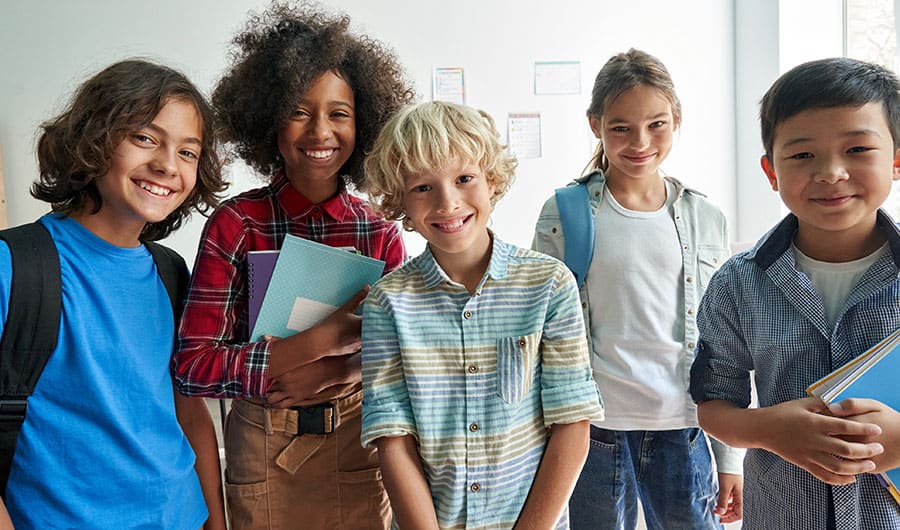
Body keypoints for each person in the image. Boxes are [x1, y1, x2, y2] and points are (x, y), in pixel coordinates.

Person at [172, 3, 414, 529]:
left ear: (364, 122)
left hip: (358, 446)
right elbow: (192, 366)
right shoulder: (236, 224)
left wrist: (341, 369)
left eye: (339, 113)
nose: (320, 131)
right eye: (299, 111)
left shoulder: (379, 231)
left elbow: (406, 355)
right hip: (263, 450)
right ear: (268, 120)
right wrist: (309, 348)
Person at [0, 59, 227, 529]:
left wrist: (215, 522)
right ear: (94, 139)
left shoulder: (171, 272)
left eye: (188, 152)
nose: (167, 165)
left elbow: (188, 411)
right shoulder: (15, 266)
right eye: (145, 138)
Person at [360, 100, 603, 529]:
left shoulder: (550, 285)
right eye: (422, 188)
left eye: (464, 178)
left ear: (491, 180)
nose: (447, 202)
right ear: (400, 202)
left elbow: (571, 425)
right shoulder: (387, 302)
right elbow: (393, 440)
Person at [533, 48, 744, 529]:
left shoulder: (705, 218)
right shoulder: (564, 213)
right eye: (620, 127)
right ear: (595, 125)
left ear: (676, 120)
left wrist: (730, 459)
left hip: (685, 424)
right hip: (594, 428)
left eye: (657, 124)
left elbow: (725, 344)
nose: (640, 142)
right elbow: (542, 332)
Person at [690, 57, 900, 529]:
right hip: (782, 514)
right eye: (803, 155)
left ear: (896, 159)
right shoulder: (738, 284)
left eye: (857, 149)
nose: (830, 172)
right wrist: (770, 429)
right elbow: (713, 403)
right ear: (771, 171)